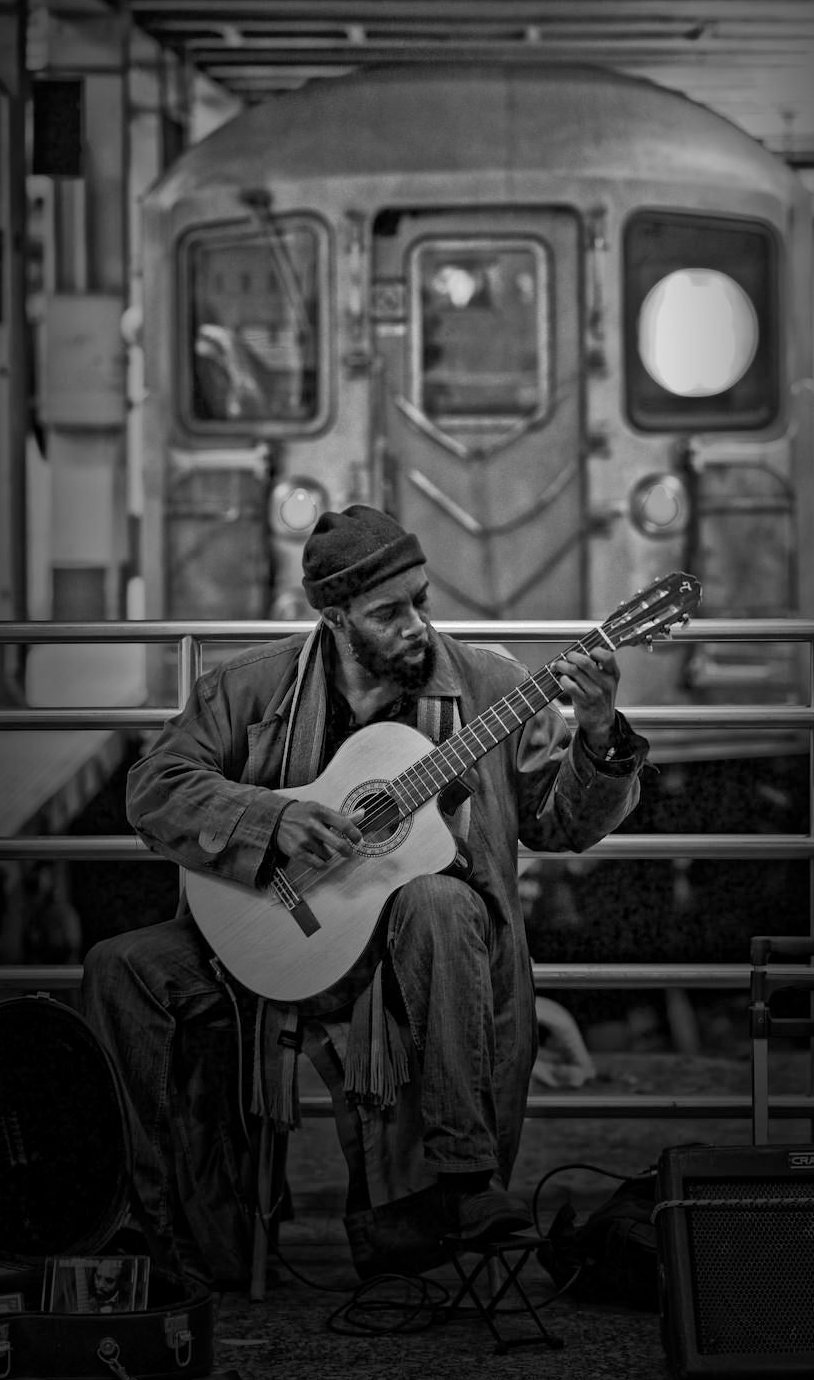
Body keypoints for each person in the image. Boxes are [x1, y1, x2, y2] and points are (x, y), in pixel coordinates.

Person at [82, 505, 647, 1287]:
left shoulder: (490, 686)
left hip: (415, 963)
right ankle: (139, 1231)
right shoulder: (254, 687)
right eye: (389, 613)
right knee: (122, 967)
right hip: (279, 934)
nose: (416, 626)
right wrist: (270, 818)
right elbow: (154, 789)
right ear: (335, 618)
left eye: (422, 601)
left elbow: (563, 828)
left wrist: (595, 732)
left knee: (439, 900)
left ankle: (464, 1183)